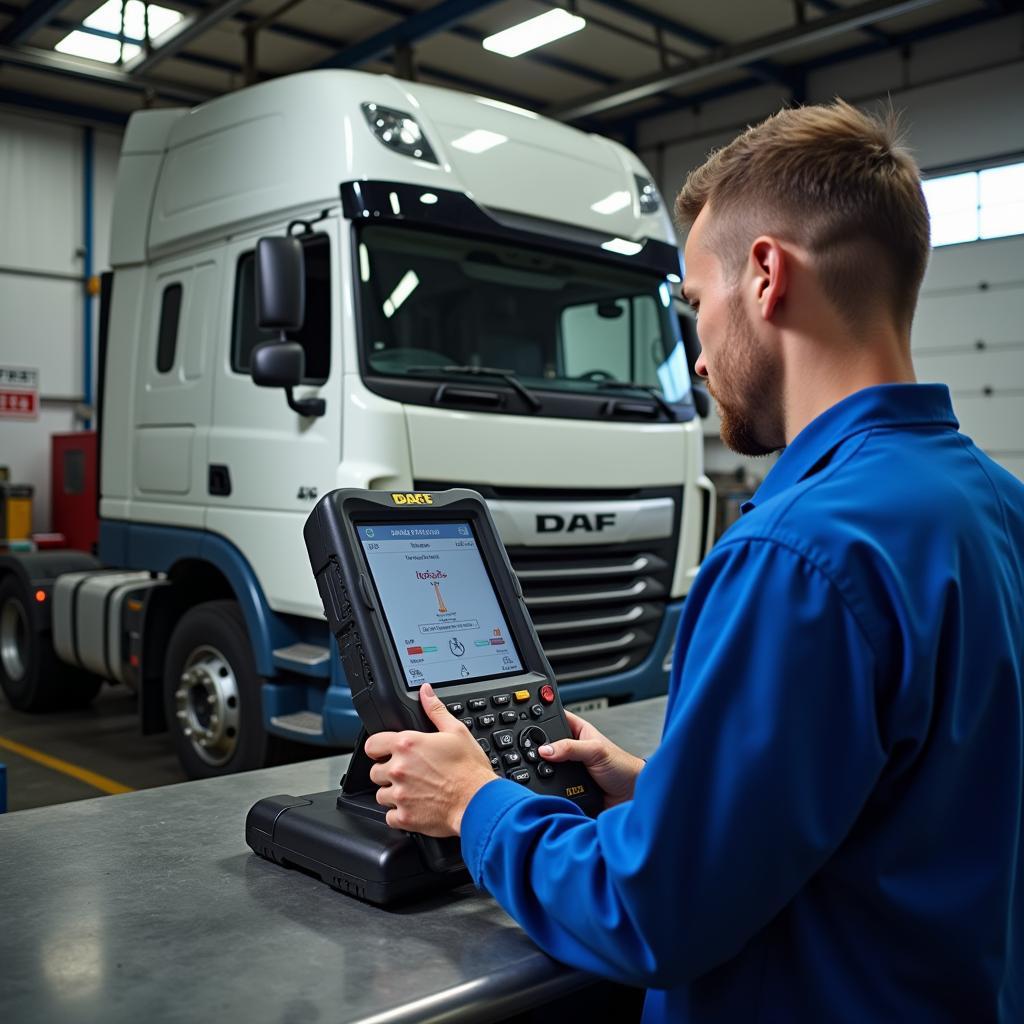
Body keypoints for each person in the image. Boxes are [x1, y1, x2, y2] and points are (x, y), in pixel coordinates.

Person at [364, 101, 1024, 1022]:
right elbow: (928, 799)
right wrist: (662, 788)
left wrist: (475, 802)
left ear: (765, 276)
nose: (701, 354)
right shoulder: (994, 507)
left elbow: (649, 913)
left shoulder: (798, 555)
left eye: (694, 303)